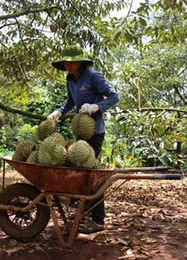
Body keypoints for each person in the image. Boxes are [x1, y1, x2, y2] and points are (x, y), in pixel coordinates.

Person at [47, 45, 120, 234]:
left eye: (71, 61)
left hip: (95, 132)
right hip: (81, 131)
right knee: (79, 171)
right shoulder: (70, 79)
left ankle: (98, 220)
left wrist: (96, 107)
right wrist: (59, 112)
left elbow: (114, 96)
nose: (67, 65)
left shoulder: (94, 76)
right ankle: (85, 209)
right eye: (65, 62)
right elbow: (71, 101)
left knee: (92, 175)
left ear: (80, 61)